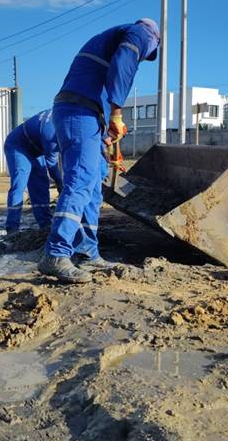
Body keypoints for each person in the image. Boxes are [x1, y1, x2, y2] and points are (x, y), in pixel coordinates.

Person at [38, 18, 161, 284]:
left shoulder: (111, 37)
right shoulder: (143, 32)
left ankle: (87, 252)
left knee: (93, 186)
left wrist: (105, 133)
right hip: (80, 112)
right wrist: (117, 113)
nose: (146, 57)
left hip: (85, 115)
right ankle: (55, 254)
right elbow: (124, 63)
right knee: (80, 182)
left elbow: (102, 77)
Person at [4, 109, 63, 235]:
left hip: (37, 149)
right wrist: (60, 183)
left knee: (40, 185)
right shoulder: (51, 132)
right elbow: (52, 164)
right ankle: (12, 227)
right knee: (19, 183)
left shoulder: (63, 113)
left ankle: (45, 223)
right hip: (18, 146)